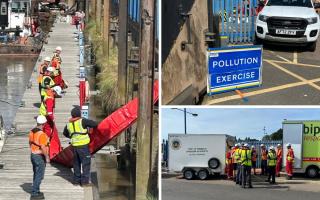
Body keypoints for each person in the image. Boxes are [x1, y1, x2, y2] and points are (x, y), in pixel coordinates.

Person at [63, 107, 98, 186]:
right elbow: (95, 124)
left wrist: (73, 136)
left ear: (72, 115)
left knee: (76, 164)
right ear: (79, 114)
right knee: (86, 164)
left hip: (74, 147)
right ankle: (85, 182)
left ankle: (76, 181)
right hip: (83, 146)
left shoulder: (68, 124)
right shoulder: (83, 121)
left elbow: (65, 133)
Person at [29, 115, 50, 199]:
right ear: (43, 124)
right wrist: (47, 157)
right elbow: (43, 147)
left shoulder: (32, 131)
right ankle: (34, 193)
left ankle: (36, 190)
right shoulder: (42, 135)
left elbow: (30, 143)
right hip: (39, 156)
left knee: (36, 173)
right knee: (39, 175)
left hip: (33, 155)